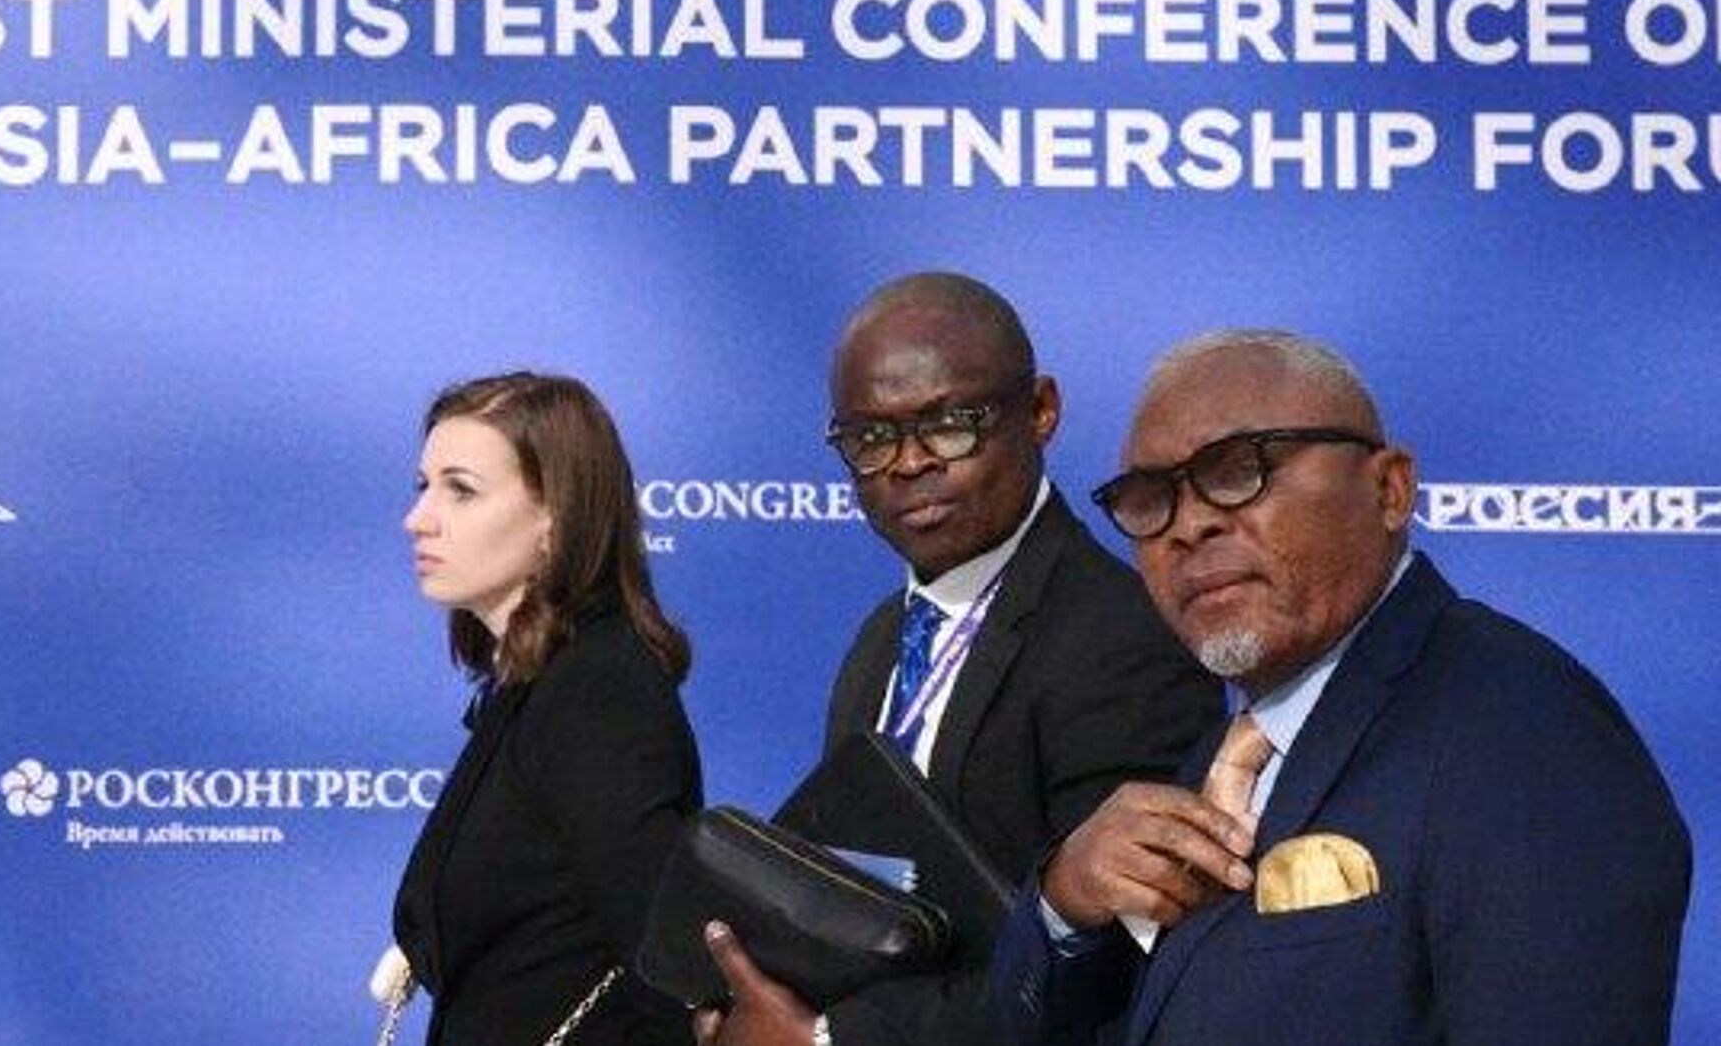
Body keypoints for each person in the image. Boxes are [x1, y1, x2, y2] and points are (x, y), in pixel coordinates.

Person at [990, 329, 1692, 1046]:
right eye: (1149, 498)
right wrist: (1064, 906)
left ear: (1390, 489)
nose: (1189, 525)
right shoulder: (1221, 759)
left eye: (1239, 470)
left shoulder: (1521, 729)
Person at [698, 273, 1222, 1046]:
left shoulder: (1123, 636)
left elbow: (1112, 955)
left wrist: (827, 1039)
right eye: (870, 439)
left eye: (948, 425)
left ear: (1041, 411)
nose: (909, 463)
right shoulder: (881, 640)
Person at [392, 372, 702, 1046]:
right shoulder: (532, 683)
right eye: (423, 486)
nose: (418, 519)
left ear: (556, 518)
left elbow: (667, 972)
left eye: (461, 490)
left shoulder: (597, 692)